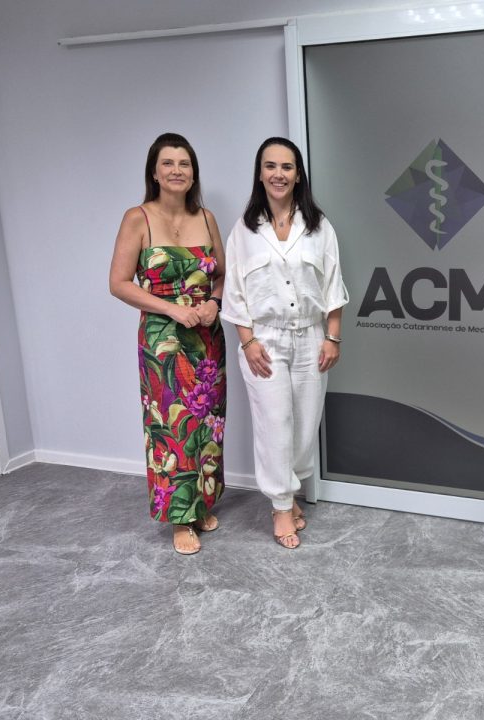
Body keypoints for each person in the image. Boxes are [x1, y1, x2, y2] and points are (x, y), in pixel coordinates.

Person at [221, 137, 348, 550]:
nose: (279, 174)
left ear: (298, 175)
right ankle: (280, 506)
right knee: (274, 424)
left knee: (305, 426)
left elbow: (333, 285)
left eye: (287, 167)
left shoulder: (319, 227)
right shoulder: (244, 231)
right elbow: (234, 293)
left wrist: (332, 337)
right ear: (260, 174)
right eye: (271, 166)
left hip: (311, 337)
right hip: (265, 340)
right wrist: (248, 343)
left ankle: (290, 490)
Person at [110, 132, 227, 555]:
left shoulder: (207, 218)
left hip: (207, 338)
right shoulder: (137, 218)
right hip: (163, 342)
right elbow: (119, 283)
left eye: (184, 163)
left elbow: (222, 274)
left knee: (207, 423)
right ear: (155, 173)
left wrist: (213, 303)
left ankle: (201, 503)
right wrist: (172, 309)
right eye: (168, 163)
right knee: (170, 428)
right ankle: (180, 518)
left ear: (193, 173)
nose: (177, 170)